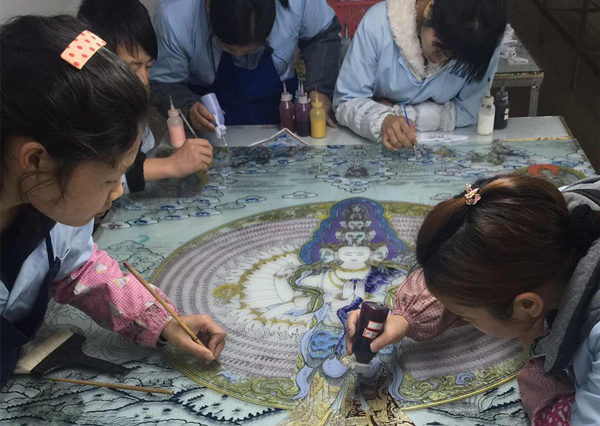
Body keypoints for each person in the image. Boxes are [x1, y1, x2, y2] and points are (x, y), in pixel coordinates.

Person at [0, 15, 226, 388]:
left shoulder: (50, 207)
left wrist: (161, 322)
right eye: (109, 179)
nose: (118, 191)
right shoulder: (50, 196)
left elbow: (80, 269)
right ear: (36, 160)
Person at [345, 175, 600, 425]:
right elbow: (473, 258)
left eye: (466, 316)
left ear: (527, 306)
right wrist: (405, 319)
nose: (458, 317)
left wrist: (538, 367)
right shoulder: (543, 211)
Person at [78, 0, 213, 195]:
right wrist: (171, 165)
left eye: (148, 67)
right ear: (96, 61)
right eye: (132, 68)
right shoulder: (79, 109)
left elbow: (135, 161)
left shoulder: (130, 106)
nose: (143, 79)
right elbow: (94, 180)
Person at [334, 0, 507, 151]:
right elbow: (346, 101)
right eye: (440, 49)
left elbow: (471, 110)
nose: (442, 61)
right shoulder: (377, 25)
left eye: (457, 58)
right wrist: (381, 120)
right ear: (429, 8)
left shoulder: (482, 43)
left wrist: (402, 113)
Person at [150, 0, 341, 130]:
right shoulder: (175, 17)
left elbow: (323, 35)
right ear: (208, 7)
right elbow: (163, 83)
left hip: (283, 111)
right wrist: (189, 106)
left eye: (254, 50)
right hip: (211, 124)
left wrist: (320, 90)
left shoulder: (298, 3)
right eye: (229, 49)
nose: (241, 58)